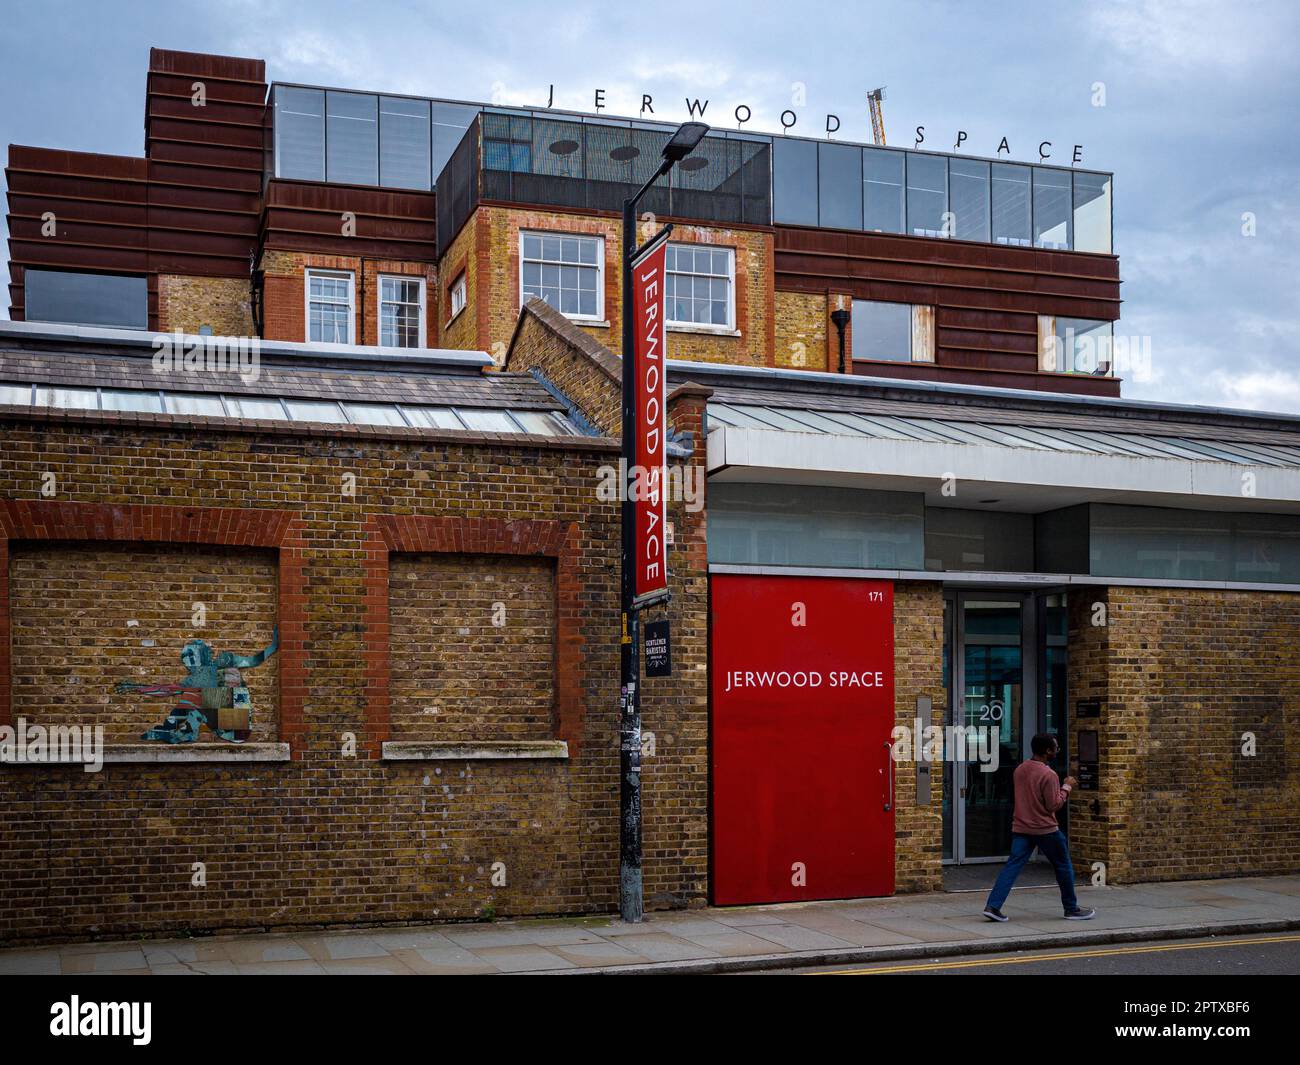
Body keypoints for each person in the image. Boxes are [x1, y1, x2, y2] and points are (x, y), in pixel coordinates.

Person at [983, 732, 1095, 922]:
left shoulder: (1020, 769)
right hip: (1046, 829)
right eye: (1055, 748)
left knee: (1012, 867)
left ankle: (993, 906)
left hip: (1021, 827)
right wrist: (1066, 787)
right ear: (1047, 751)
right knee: (1063, 866)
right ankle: (1071, 908)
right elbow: (1053, 805)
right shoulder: (1048, 774)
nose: (1057, 751)